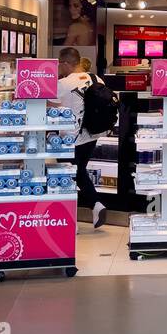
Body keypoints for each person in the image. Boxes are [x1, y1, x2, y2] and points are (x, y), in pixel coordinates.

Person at [56, 46, 109, 229]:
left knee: (66, 177)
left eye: (59, 65)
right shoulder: (95, 78)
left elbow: (47, 106)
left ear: (65, 63)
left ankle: (72, 220)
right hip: (92, 135)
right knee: (79, 172)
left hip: (70, 138)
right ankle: (95, 205)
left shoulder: (63, 84)